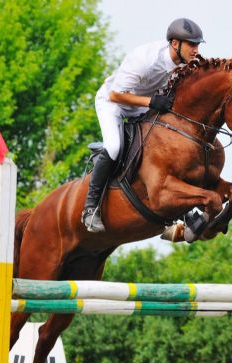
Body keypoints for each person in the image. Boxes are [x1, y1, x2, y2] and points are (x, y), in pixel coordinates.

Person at [82, 18, 205, 232]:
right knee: (114, 147)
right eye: (192, 45)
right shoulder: (144, 59)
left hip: (142, 105)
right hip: (113, 104)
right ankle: (90, 208)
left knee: (166, 146)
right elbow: (116, 94)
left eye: (197, 45)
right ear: (176, 44)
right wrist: (151, 102)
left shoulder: (186, 63)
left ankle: (185, 212)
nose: (196, 50)